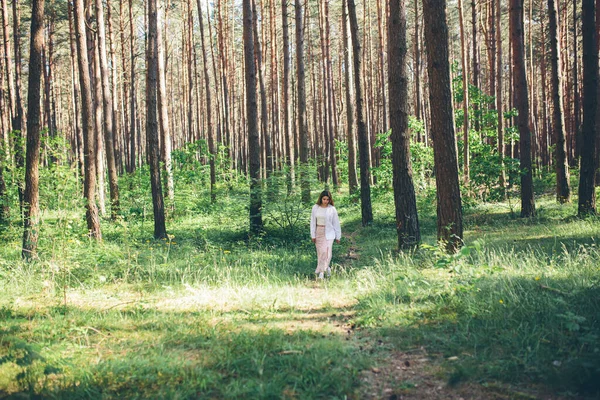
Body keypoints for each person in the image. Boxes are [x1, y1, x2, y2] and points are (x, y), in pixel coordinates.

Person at [310, 190, 342, 279]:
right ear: (321, 199)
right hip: (318, 231)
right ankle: (326, 267)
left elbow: (336, 223)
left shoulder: (332, 209)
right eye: (324, 199)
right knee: (321, 252)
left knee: (327, 252)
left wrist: (338, 236)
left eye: (327, 199)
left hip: (329, 232)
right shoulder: (315, 208)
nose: (326, 201)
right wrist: (313, 235)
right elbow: (312, 222)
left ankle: (321, 272)